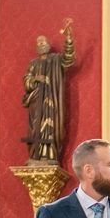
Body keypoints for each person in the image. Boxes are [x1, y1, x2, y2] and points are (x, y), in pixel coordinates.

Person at [22, 19, 75, 164]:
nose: (41, 44)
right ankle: (35, 155)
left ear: (48, 45)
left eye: (43, 41)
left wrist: (69, 40)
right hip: (36, 101)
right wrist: (35, 79)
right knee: (36, 127)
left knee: (50, 126)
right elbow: (26, 81)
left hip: (52, 100)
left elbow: (68, 59)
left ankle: (49, 155)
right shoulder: (33, 64)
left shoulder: (56, 60)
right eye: (38, 43)